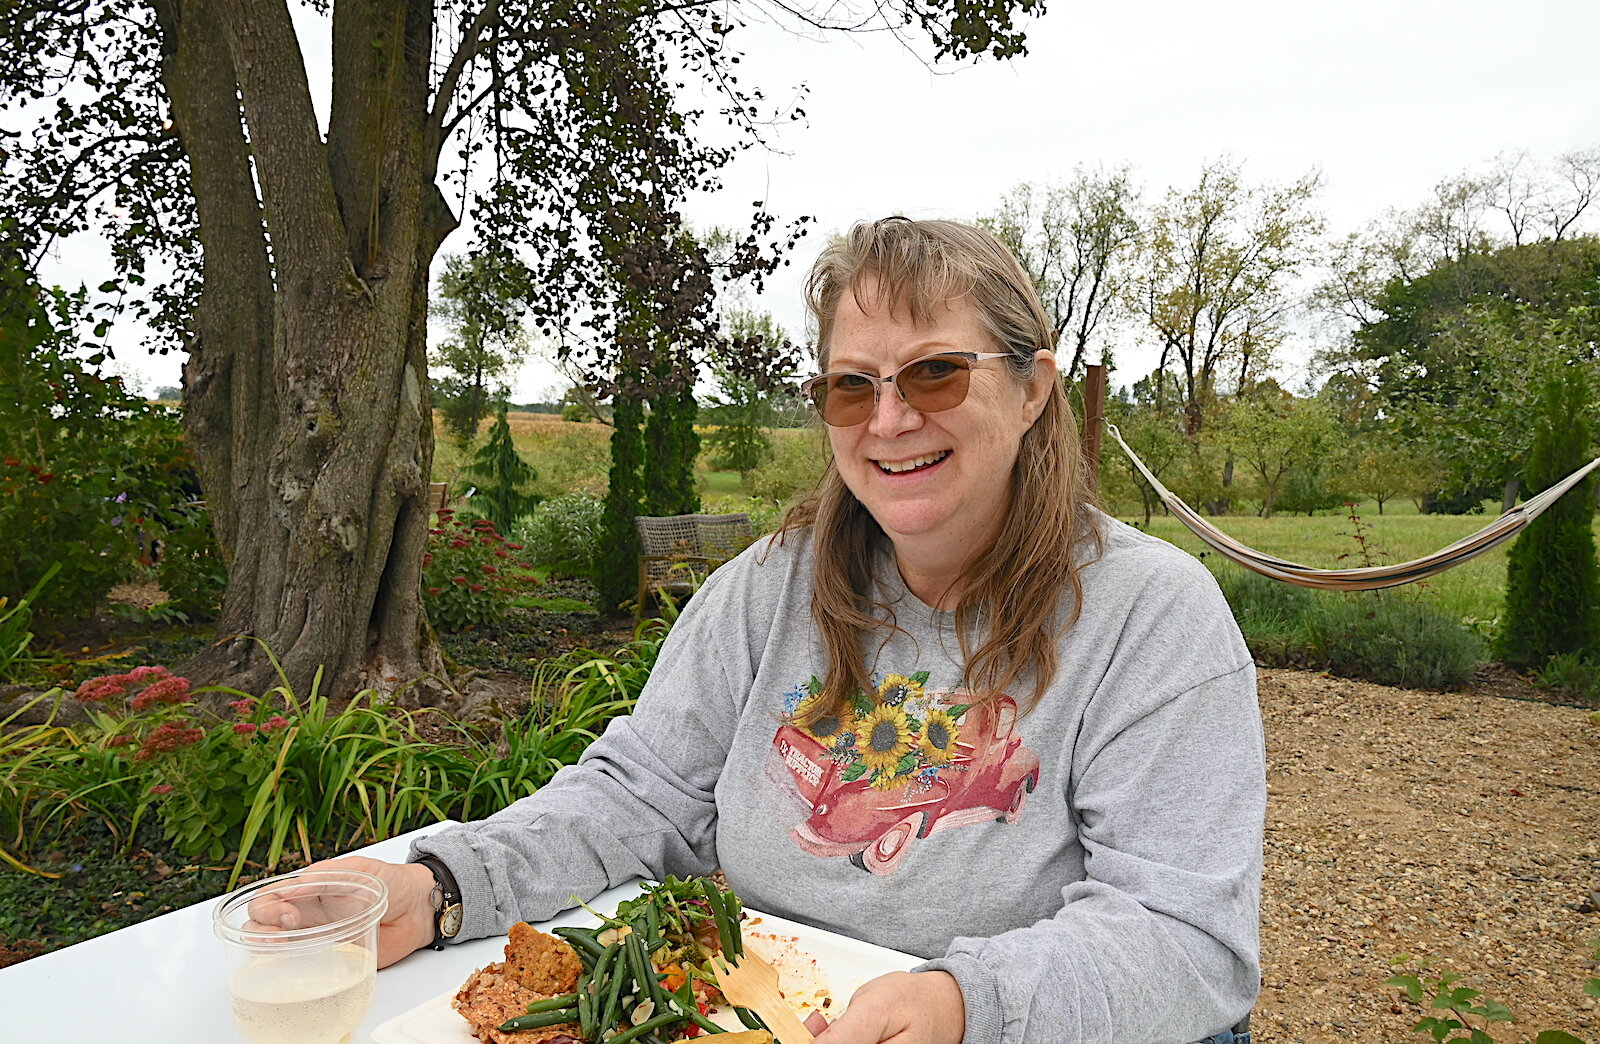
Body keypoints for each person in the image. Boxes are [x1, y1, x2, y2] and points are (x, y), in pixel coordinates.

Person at [311, 217, 1265, 1044]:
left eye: (933, 374)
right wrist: (443, 886)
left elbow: (1182, 935)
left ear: (1031, 390)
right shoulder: (771, 587)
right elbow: (641, 795)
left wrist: (960, 1007)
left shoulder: (1152, 618)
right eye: (853, 387)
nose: (889, 420)